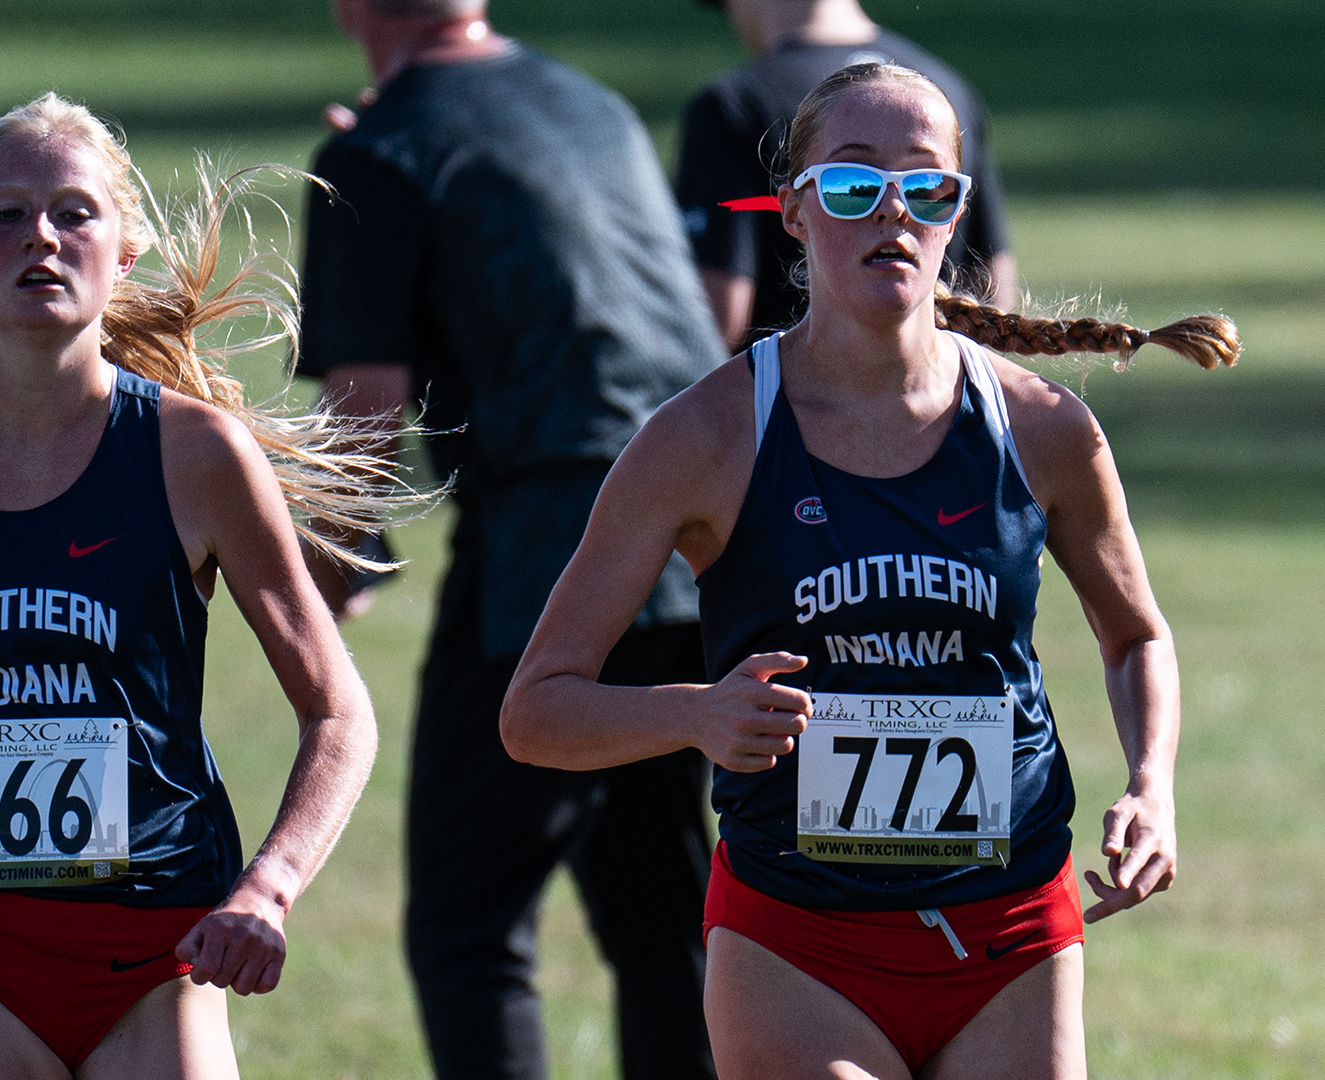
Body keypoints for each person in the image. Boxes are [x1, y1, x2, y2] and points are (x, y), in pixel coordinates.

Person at [502, 62, 1239, 1079]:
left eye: (925, 188)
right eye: (852, 186)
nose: (891, 212)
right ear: (796, 214)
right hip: (799, 948)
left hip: (1013, 932)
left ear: (957, 213)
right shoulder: (705, 438)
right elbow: (537, 710)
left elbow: (1136, 634)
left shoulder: (1045, 430)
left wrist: (1152, 785)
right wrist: (698, 714)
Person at [297, 2, 727, 1078]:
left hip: (543, 558)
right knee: (664, 920)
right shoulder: (593, 108)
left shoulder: (379, 150)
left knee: (468, 924)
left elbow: (364, 405)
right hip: (695, 542)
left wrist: (323, 571)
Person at [0, 93, 390, 1078]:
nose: (40, 233)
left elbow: (338, 712)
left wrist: (268, 890)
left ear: (124, 254)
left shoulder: (192, 454)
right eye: (3, 213)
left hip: (158, 947)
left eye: (74, 211)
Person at [675, 0, 1019, 353]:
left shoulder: (734, 104)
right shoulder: (947, 90)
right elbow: (992, 290)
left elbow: (715, 321)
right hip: (941, 396)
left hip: (782, 400)